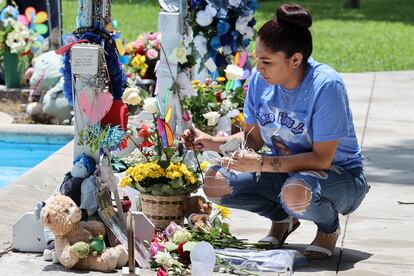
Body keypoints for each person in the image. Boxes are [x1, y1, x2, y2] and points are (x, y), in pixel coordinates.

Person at [182, 3, 369, 259]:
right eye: (257, 58)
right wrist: (211, 141)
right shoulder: (261, 80)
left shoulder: (326, 85)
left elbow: (321, 159)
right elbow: (254, 139)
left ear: (295, 59)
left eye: (267, 61)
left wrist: (259, 163)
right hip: (285, 173)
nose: (258, 67)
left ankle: (328, 229)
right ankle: (283, 219)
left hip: (340, 177)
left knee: (296, 191)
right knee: (215, 182)